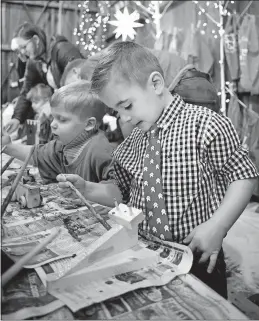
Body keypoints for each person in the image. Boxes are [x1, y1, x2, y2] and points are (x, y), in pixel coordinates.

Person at [56, 41, 258, 298]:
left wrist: (217, 226)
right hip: (147, 253)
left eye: (126, 106)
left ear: (155, 84)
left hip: (199, 253)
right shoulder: (135, 140)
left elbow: (243, 176)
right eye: (116, 111)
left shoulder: (206, 124)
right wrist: (89, 189)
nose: (124, 118)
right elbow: (121, 191)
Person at [2, 80, 114, 184]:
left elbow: (118, 190)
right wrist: (7, 146)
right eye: (53, 118)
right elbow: (36, 155)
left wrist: (86, 189)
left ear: (89, 124)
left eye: (62, 120)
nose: (52, 124)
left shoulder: (100, 150)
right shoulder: (62, 145)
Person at [5, 22, 83, 135]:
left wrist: (55, 108)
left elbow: (81, 85)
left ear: (36, 40)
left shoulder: (63, 50)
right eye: (20, 49)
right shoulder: (34, 62)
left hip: (79, 113)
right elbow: (26, 92)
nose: (22, 52)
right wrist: (16, 118)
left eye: (24, 47)